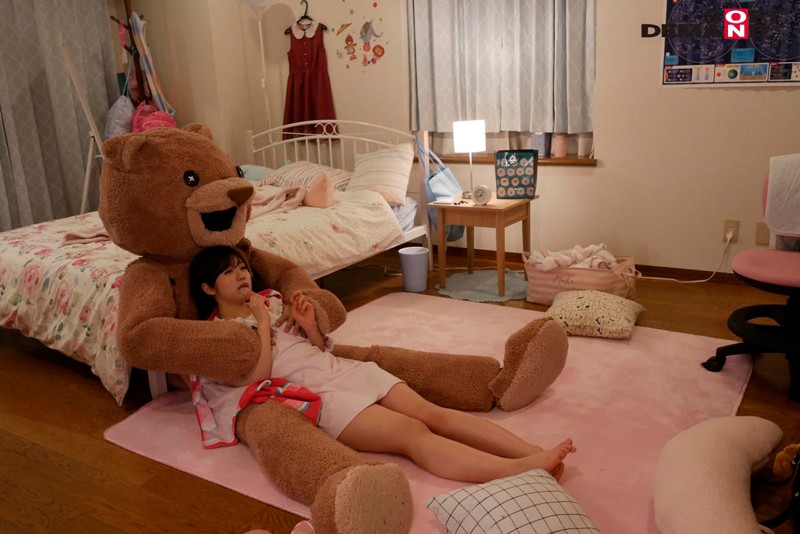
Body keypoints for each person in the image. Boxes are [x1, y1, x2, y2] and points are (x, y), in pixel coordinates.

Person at [189, 245, 576, 483]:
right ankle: (514, 471)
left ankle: (529, 451)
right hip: (321, 398)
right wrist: (260, 324)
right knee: (412, 433)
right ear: (208, 288)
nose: (241, 275)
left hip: (340, 369)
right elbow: (254, 382)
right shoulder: (220, 333)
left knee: (434, 414)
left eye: (242, 267)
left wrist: (309, 326)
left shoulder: (273, 301)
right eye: (228, 272)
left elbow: (317, 349)